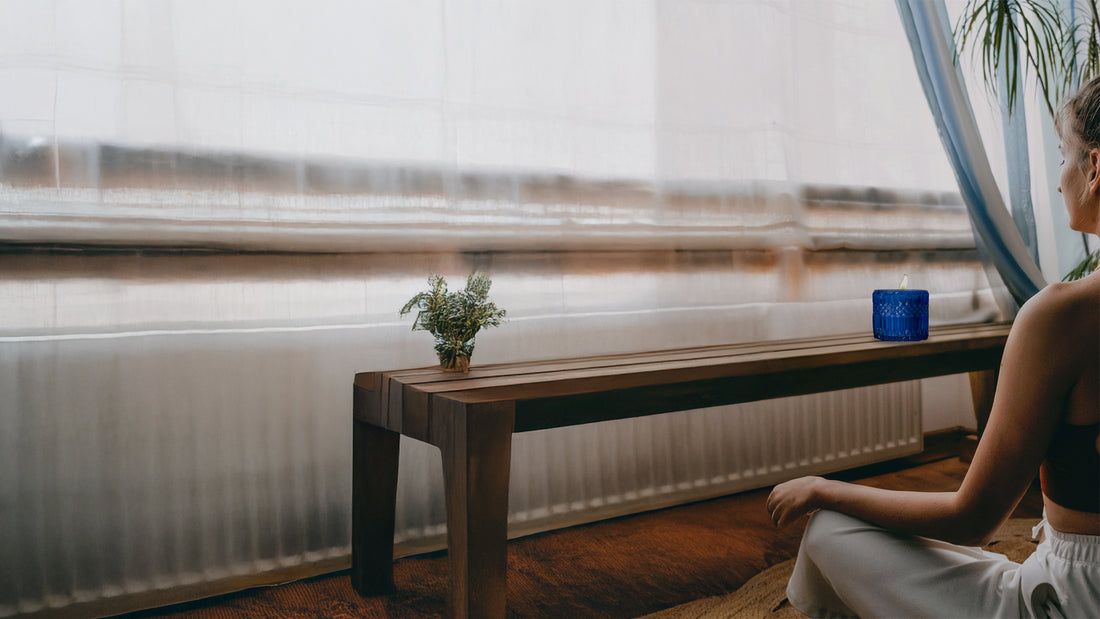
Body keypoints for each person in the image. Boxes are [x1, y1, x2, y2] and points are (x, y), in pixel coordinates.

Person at [766, 76, 1100, 618]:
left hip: (1072, 604)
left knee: (832, 531)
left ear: (1095, 168)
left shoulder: (1061, 317)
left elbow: (971, 521)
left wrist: (824, 488)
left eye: (1064, 155)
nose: (1059, 181)